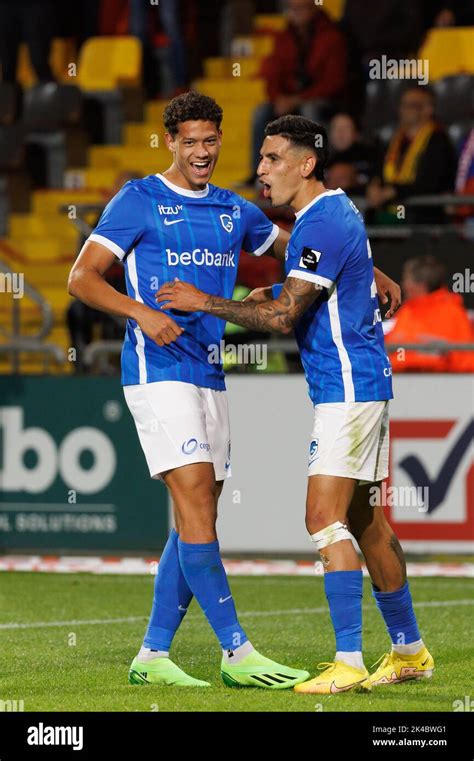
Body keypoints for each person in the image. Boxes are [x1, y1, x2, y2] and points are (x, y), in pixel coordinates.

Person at [68, 93, 400, 690]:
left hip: (209, 374)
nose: (201, 152)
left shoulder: (232, 210)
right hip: (157, 369)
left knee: (195, 516)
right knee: (196, 504)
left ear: (221, 140)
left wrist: (367, 270)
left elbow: (296, 252)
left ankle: (152, 654)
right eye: (189, 141)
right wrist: (141, 313)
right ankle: (237, 650)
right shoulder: (138, 199)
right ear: (169, 141)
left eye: (211, 141)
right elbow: (81, 278)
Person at [156, 115, 433, 695]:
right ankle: (410, 651)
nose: (261, 170)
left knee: (322, 518)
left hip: (347, 390)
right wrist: (274, 294)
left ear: (307, 164)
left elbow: (285, 317)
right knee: (363, 519)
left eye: (274, 159)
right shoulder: (328, 215)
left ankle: (349, 663)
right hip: (359, 385)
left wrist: (205, 300)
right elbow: (300, 296)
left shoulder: (321, 223)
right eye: (260, 158)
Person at [249, 0, 347, 178]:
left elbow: (334, 82)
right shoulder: (283, 37)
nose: (297, 13)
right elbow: (273, 72)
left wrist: (300, 99)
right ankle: (259, 172)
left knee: (309, 111)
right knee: (261, 112)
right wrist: (277, 98)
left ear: (314, 8)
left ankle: (316, 168)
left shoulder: (332, 36)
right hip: (289, 98)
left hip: (322, 99)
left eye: (302, 8)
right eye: (293, 8)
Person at [366, 86, 456, 224]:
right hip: (389, 213)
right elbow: (379, 170)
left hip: (422, 218)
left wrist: (393, 191)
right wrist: (374, 185)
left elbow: (429, 184)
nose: (404, 110)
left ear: (428, 109)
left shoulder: (438, 141)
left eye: (411, 105)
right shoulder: (394, 140)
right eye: (402, 105)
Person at [385, 255, 474, 372]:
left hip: (442, 383)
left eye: (407, 280)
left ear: (421, 285)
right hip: (398, 381)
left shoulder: (453, 313)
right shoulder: (407, 311)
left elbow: (467, 360)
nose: (404, 285)